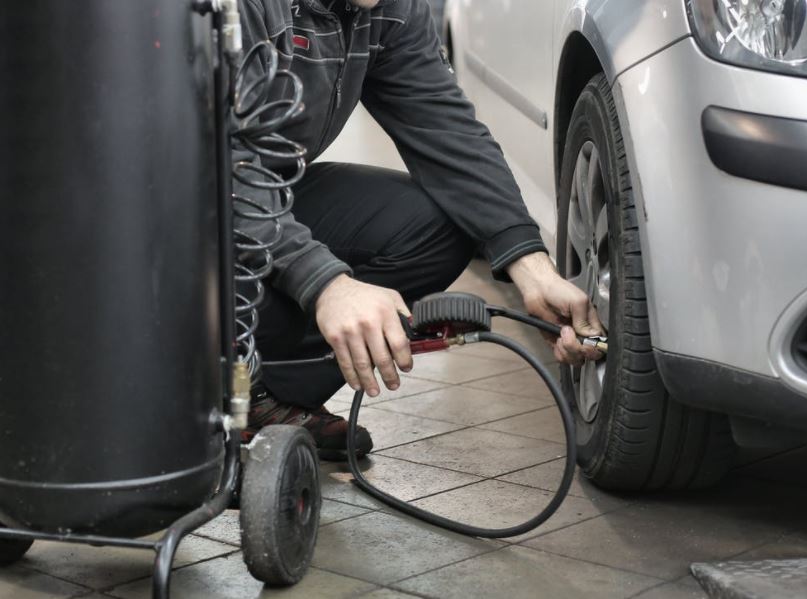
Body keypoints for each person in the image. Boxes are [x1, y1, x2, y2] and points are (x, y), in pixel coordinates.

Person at [236, 0, 604, 460]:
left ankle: (259, 394)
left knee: (439, 225)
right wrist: (326, 283)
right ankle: (179, 379)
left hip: (261, 192)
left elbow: (445, 129)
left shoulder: (385, 8)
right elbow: (213, 169)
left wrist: (531, 267)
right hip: (163, 216)